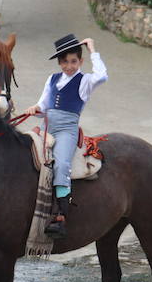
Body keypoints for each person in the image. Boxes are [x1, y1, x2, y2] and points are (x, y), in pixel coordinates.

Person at [17, 34, 108, 239]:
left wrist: (93, 49)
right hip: (46, 125)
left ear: (80, 61)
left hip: (67, 129)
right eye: (65, 62)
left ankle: (61, 215)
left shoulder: (84, 81)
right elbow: (44, 104)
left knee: (61, 164)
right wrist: (36, 108)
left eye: (74, 61)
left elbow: (102, 76)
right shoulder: (52, 79)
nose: (69, 66)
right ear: (59, 62)